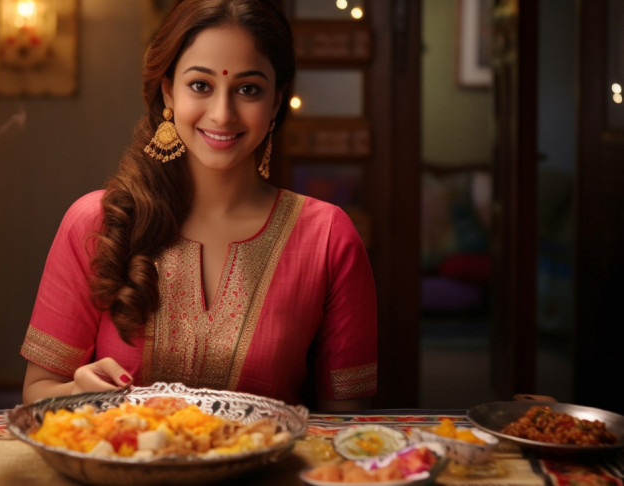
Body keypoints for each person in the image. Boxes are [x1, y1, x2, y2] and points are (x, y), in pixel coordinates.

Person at [20, 0, 377, 412]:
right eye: (201, 86)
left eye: (248, 89)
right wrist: (77, 394)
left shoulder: (328, 236)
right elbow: (38, 392)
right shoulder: (98, 222)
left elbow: (347, 425)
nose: (223, 114)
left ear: (277, 101)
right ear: (168, 89)